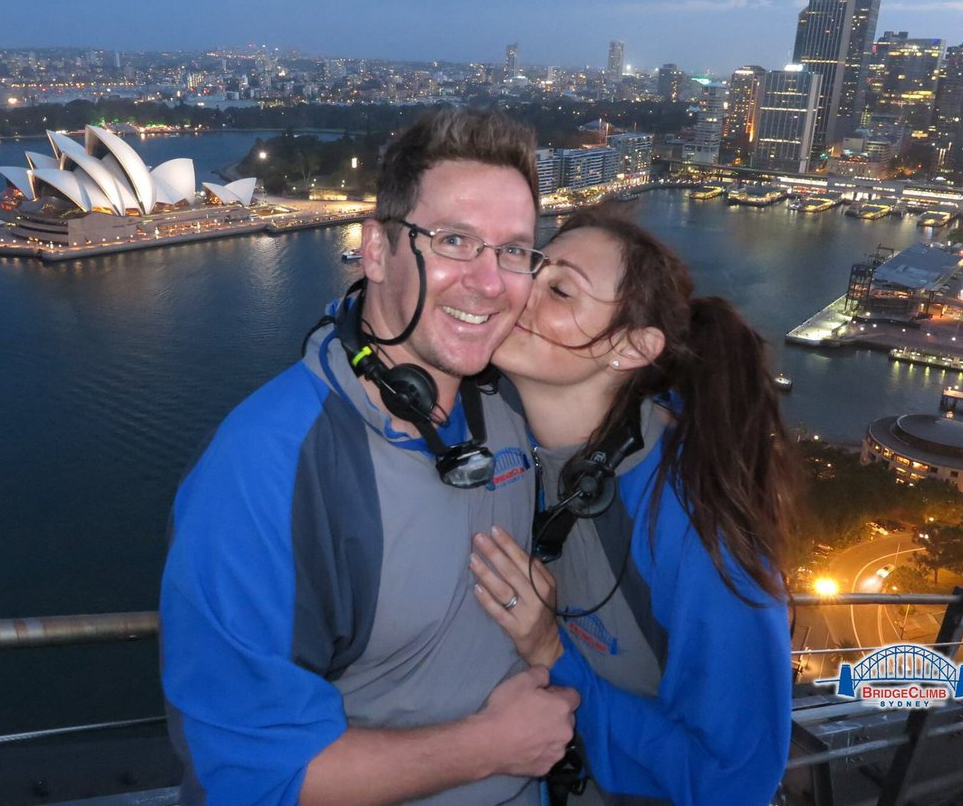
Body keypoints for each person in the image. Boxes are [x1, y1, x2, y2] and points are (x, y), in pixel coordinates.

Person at [160, 109, 579, 805]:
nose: (489, 282)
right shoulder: (266, 469)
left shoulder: (506, 409)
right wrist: (489, 748)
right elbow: (248, 779)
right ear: (377, 250)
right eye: (453, 240)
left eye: (513, 251)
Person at [470, 207, 798, 805]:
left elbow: (735, 779)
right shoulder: (499, 440)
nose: (516, 294)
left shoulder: (694, 520)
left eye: (561, 289)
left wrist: (551, 652)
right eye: (533, 269)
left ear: (629, 347)